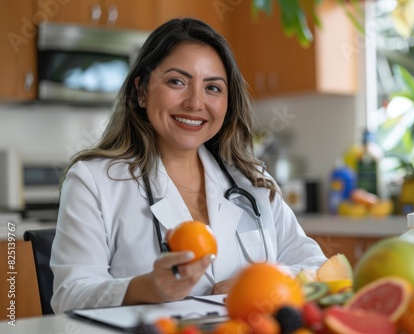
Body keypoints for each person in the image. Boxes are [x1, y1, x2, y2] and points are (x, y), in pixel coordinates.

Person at [50, 17, 327, 314]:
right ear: (142, 90)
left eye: (213, 88)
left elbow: (319, 269)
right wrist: (145, 288)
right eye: (177, 82)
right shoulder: (93, 181)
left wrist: (260, 282)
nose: (195, 103)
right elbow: (70, 295)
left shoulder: (251, 181)